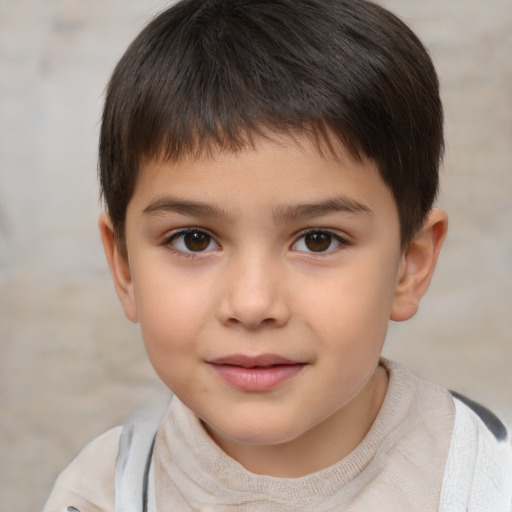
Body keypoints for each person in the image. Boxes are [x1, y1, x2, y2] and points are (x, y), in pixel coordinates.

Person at [43, 0, 512, 510]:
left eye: (318, 240)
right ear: (125, 267)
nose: (251, 303)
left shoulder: (489, 482)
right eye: (194, 239)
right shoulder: (99, 495)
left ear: (410, 264)